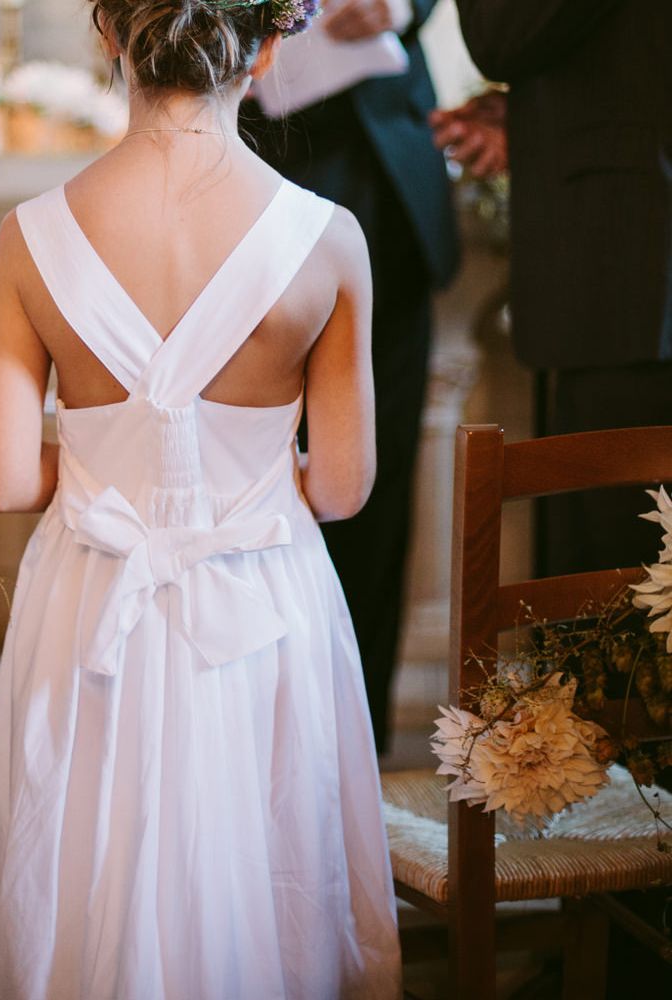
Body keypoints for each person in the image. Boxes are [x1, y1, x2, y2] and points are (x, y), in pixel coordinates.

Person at [0, 1, 401, 996]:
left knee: (84, 868)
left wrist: (100, 468)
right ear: (262, 48)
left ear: (113, 39)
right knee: (270, 871)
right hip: (265, 604)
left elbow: (2, 480)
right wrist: (234, 493)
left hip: (90, 608)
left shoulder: (27, 238)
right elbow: (340, 486)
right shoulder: (328, 239)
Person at [241, 0, 459, 752]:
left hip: (385, 171)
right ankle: (262, 745)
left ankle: (355, 741)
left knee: (377, 473)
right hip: (254, 155)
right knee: (252, 476)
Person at [431, 0, 672, 576]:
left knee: (616, 588)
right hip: (627, 255)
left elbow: (502, 32)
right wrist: (543, 112)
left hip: (626, 272)